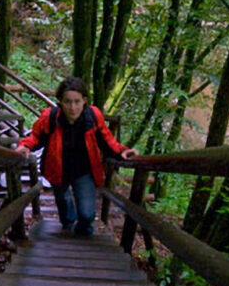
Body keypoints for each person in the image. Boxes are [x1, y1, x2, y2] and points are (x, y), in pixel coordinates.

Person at [15, 77, 138, 236]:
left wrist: (122, 151)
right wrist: (25, 146)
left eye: (77, 101)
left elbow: (107, 140)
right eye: (67, 102)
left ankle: (83, 231)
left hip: (84, 171)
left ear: (84, 101)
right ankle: (68, 225)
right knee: (64, 202)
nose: (72, 107)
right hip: (57, 169)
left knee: (87, 214)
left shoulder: (93, 116)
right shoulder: (51, 117)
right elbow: (36, 137)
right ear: (60, 101)